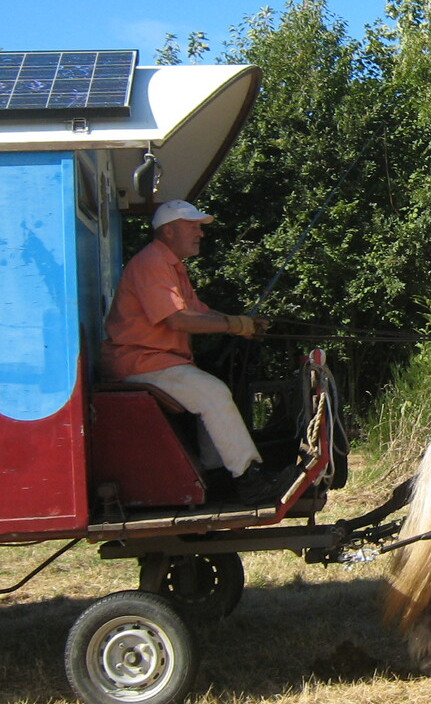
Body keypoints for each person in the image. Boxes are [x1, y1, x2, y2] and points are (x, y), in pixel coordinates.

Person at [100, 199, 294, 505]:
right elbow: (178, 320)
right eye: (192, 226)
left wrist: (241, 324)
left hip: (155, 360)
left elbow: (199, 312)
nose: (200, 233)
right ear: (168, 231)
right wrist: (234, 325)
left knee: (211, 390)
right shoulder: (152, 263)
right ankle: (250, 481)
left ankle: (218, 477)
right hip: (139, 362)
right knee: (212, 392)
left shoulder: (171, 266)